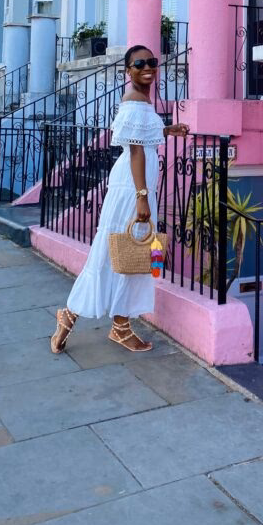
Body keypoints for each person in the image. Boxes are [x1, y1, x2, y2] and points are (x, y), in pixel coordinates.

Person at [50, 45, 189, 353]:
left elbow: (142, 137)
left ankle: (118, 326)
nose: (147, 67)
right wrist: (142, 197)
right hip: (132, 188)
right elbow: (136, 150)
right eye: (139, 64)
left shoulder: (142, 100)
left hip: (136, 185)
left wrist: (168, 130)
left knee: (129, 253)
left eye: (152, 62)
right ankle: (73, 315)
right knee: (115, 252)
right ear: (128, 71)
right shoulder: (134, 99)